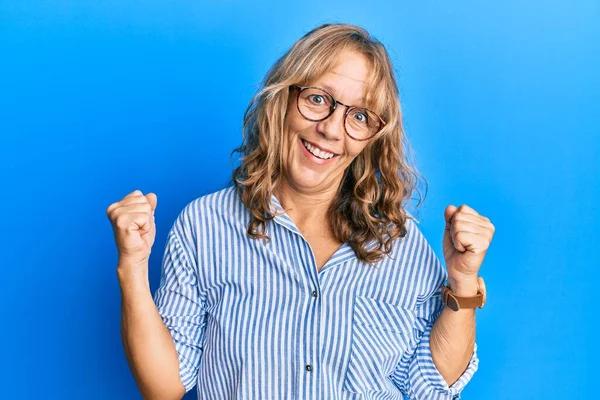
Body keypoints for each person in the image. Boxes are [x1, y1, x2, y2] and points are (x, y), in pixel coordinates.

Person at [106, 23, 495, 400]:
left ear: (373, 137)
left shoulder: (400, 241)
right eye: (318, 99)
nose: (331, 129)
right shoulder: (204, 226)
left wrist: (462, 283)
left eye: (358, 116)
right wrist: (133, 267)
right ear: (284, 98)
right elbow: (164, 387)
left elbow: (434, 386)